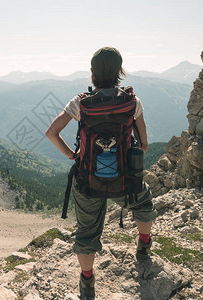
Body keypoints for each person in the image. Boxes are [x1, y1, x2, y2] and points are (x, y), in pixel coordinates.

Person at [45, 47, 157, 300]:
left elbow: (51, 132)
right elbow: (145, 144)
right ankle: (143, 245)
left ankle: (87, 281)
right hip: (125, 180)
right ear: (120, 72)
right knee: (145, 202)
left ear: (92, 72)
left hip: (88, 180)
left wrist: (72, 156)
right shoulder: (132, 102)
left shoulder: (80, 102)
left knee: (86, 232)